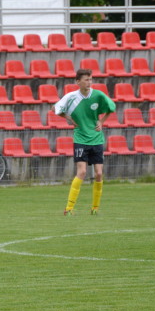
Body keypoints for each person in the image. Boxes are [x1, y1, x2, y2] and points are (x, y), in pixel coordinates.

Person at [53, 68, 117, 215]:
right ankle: (69, 209)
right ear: (78, 82)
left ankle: (95, 208)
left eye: (90, 79)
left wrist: (101, 121)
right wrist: (69, 118)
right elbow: (55, 108)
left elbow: (111, 107)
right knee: (81, 172)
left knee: (99, 174)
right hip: (81, 138)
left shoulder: (98, 95)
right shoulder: (71, 97)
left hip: (96, 138)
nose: (89, 82)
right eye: (86, 80)